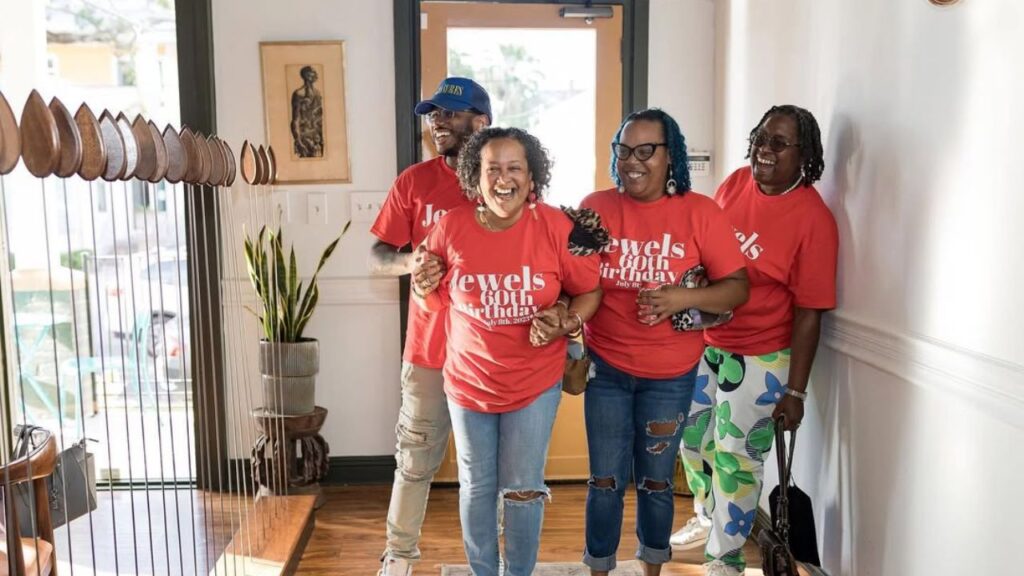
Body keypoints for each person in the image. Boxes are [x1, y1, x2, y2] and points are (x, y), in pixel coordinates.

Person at [412, 127, 603, 576]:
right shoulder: (451, 228)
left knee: (523, 489)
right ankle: (483, 571)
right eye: (491, 168)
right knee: (477, 487)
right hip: (468, 385)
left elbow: (589, 290)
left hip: (534, 385)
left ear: (531, 176)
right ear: (474, 179)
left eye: (514, 167)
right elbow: (433, 299)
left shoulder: (555, 226)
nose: (503, 178)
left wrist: (566, 320)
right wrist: (422, 286)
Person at [579, 108, 750, 576]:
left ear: (670, 155)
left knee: (656, 483)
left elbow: (737, 287)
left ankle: (652, 567)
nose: (633, 161)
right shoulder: (597, 207)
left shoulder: (700, 213)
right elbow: (575, 277)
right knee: (605, 480)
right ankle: (599, 568)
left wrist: (681, 298)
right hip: (606, 371)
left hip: (670, 378)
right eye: (625, 150)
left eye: (646, 150)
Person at [672, 105, 838, 576]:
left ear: (803, 154)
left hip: (764, 356)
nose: (765, 150)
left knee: (737, 460)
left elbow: (810, 313)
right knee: (688, 434)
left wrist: (795, 391)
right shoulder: (736, 183)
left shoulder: (813, 220)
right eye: (762, 137)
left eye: (780, 143)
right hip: (709, 341)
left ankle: (723, 562)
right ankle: (708, 516)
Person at [369, 76, 491, 576]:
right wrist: (411, 261)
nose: (437, 120)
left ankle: (489, 559)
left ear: (480, 121)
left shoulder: (502, 177)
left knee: (485, 471)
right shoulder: (414, 182)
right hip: (428, 350)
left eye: (449, 112)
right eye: (432, 113)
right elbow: (379, 255)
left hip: (491, 353)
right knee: (415, 460)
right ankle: (398, 557)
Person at [290, 65, 324, 158]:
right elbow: (295, 119)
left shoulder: (318, 94)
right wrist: (298, 140)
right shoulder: (298, 94)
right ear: (306, 75)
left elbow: (320, 117)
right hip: (304, 137)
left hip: (317, 136)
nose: (316, 75)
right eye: (312, 73)